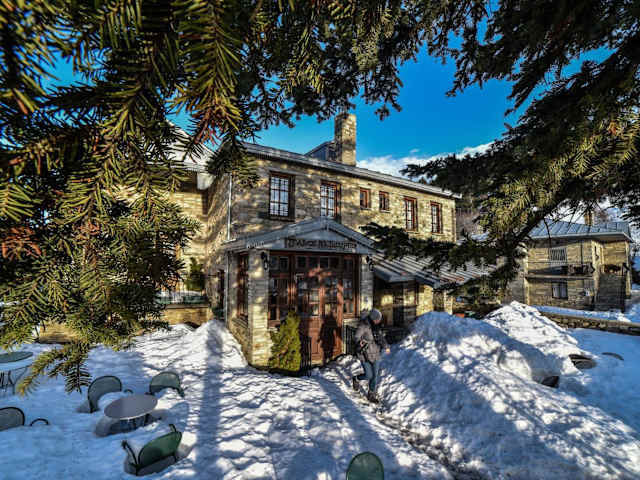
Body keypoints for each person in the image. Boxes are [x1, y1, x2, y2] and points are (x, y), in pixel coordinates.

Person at [352, 308, 390, 403]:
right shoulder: (363, 325)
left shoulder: (377, 326)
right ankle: (356, 378)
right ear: (373, 318)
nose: (379, 320)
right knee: (369, 375)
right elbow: (356, 337)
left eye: (379, 319)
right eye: (377, 319)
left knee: (375, 376)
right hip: (365, 354)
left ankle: (371, 394)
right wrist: (359, 342)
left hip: (376, 353)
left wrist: (386, 346)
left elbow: (380, 337)